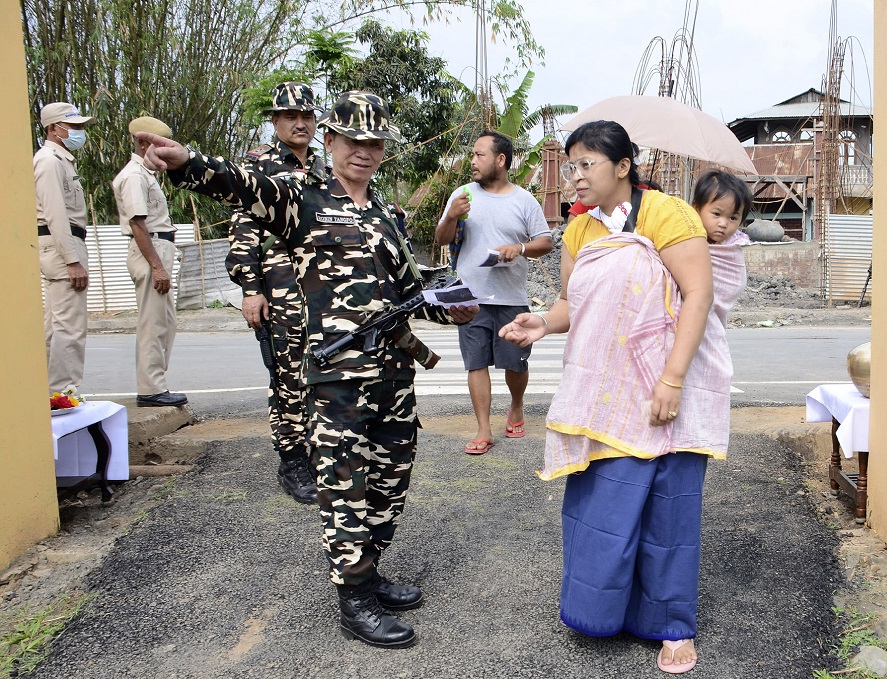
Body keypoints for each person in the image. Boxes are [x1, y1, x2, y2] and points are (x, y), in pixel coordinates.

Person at [137, 90, 477, 650]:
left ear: (383, 150)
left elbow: (410, 291)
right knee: (345, 487)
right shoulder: (302, 200)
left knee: (391, 482)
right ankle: (355, 598)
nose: (363, 152)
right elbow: (244, 185)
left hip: (394, 375)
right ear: (331, 141)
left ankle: (371, 567)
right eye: (352, 141)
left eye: (374, 143)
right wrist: (186, 162)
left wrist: (448, 307)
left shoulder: (387, 214)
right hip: (338, 376)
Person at [499, 120, 715, 673]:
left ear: (622, 166)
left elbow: (697, 295)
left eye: (586, 164)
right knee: (604, 512)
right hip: (604, 394)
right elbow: (576, 307)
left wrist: (672, 379)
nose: (575, 176)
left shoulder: (667, 214)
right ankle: (604, 612)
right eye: (571, 165)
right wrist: (543, 324)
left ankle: (672, 626)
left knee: (667, 513)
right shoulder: (578, 231)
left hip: (659, 388)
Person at [225, 82, 326, 504]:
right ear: (275, 121)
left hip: (323, 288)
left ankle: (319, 450)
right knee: (287, 376)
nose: (300, 123)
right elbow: (243, 230)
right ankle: (291, 458)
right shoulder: (258, 166)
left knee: (321, 372)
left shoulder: (325, 168)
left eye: (307, 116)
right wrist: (251, 288)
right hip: (280, 287)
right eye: (291, 117)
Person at [435, 130, 553, 454]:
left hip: (511, 297)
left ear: (500, 160)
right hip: (469, 297)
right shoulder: (463, 195)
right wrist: (451, 216)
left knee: (515, 363)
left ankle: (516, 405)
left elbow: (546, 242)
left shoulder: (523, 200)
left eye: (479, 155)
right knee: (476, 363)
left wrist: (520, 247)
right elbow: (442, 237)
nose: (472, 161)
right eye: (472, 154)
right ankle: (483, 429)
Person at [111, 116, 187, 408]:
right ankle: (150, 389)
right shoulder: (133, 176)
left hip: (158, 247)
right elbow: (138, 225)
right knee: (153, 323)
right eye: (158, 145)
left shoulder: (146, 174)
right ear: (143, 143)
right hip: (150, 249)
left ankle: (156, 385)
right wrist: (157, 266)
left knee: (165, 322)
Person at [34, 102, 98, 395]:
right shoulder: (49, 161)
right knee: (69, 327)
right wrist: (71, 260)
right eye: (73, 127)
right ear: (53, 129)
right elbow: (55, 213)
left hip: (64, 243)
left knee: (57, 326)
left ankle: (51, 392)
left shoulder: (61, 160)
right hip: (62, 244)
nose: (79, 132)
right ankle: (63, 393)